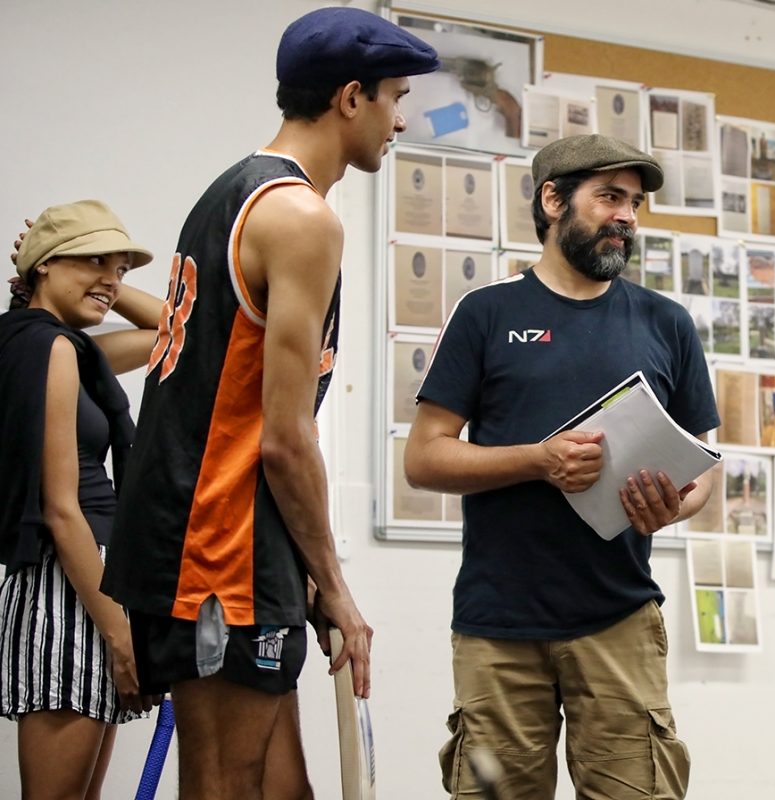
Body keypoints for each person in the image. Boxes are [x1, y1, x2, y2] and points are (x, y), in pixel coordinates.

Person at [97, 9, 439, 800]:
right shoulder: (299, 218)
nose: (402, 117)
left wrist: (307, 574)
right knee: (223, 787)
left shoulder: (235, 192)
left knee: (285, 791)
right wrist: (340, 587)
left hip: (234, 544)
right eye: (395, 96)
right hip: (218, 551)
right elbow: (285, 438)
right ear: (351, 98)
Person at [405, 133, 718, 800]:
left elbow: (706, 465)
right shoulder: (486, 315)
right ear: (553, 200)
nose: (628, 216)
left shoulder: (667, 324)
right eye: (609, 197)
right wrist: (539, 460)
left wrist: (677, 503)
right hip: (499, 625)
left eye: (634, 202)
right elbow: (425, 456)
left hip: (621, 619)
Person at [1, 199, 163, 798]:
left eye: (120, 268)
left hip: (90, 587)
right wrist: (121, 638)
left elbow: (179, 332)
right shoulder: (48, 349)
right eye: (94, 260)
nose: (113, 278)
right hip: (70, 591)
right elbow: (60, 507)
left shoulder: (68, 350)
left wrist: (103, 285)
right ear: (43, 266)